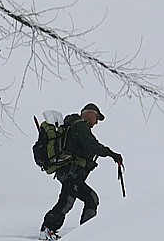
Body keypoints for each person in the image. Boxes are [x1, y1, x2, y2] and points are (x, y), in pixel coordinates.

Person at [39, 103, 123, 241]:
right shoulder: (79, 126)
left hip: (70, 172)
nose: (96, 123)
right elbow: (93, 145)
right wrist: (112, 154)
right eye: (96, 118)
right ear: (90, 113)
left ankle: (86, 233)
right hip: (70, 171)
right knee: (67, 200)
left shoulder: (73, 125)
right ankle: (48, 229)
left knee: (91, 199)